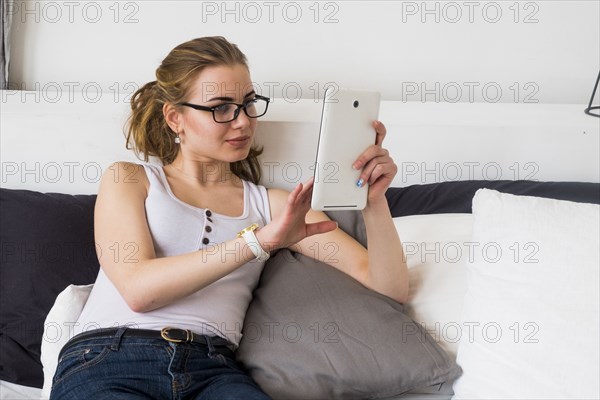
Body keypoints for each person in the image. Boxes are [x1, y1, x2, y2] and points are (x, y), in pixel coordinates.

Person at [49, 36, 408, 399]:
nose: (242, 122)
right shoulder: (130, 179)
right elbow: (139, 291)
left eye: (249, 103)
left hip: (213, 371)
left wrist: (374, 202)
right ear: (176, 118)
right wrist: (258, 242)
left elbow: (387, 287)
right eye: (221, 108)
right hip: (110, 358)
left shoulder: (274, 205)